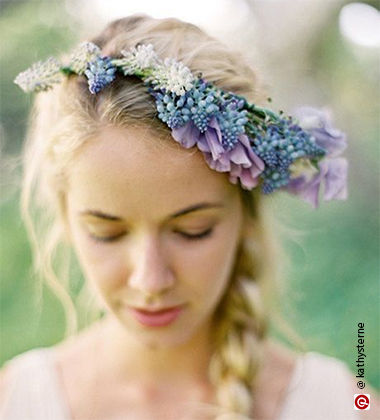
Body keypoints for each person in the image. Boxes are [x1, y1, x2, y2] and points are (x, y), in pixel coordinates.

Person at [0, 14, 378, 420]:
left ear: (246, 214)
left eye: (192, 231)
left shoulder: (342, 406)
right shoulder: (18, 402)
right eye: (106, 232)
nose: (150, 280)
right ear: (66, 219)